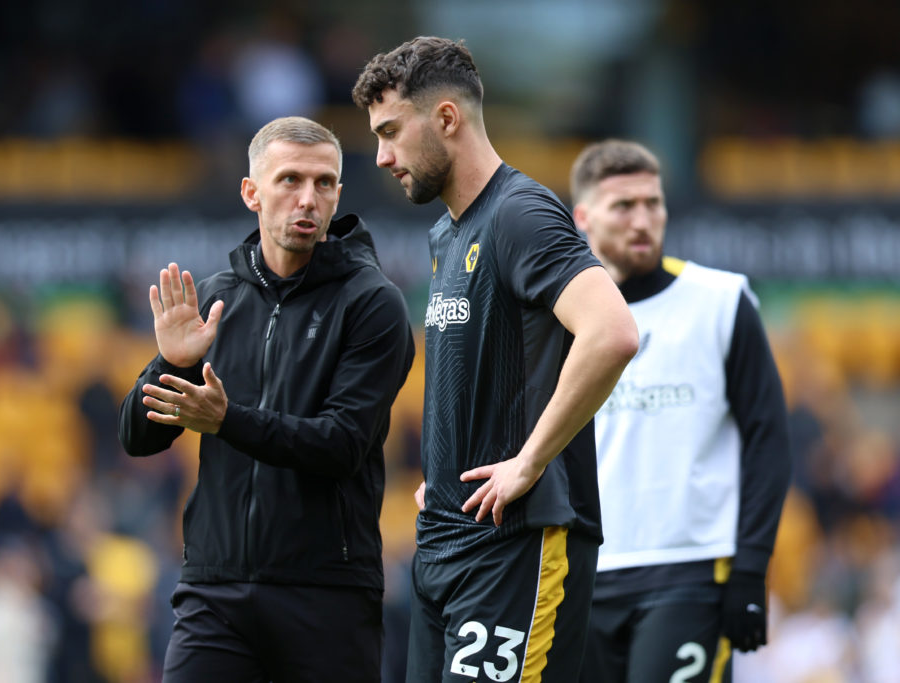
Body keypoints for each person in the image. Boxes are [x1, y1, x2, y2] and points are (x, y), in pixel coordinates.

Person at [352, 37, 640, 682]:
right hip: (446, 540)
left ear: (447, 118)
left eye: (392, 132)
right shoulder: (446, 233)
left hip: (516, 543)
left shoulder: (521, 214)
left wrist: (528, 462)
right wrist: (446, 475)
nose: (382, 156)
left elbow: (612, 331)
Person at [118, 116, 415, 683]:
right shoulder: (215, 298)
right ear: (252, 192)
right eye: (290, 181)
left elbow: (342, 445)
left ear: (338, 195)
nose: (308, 198)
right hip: (214, 591)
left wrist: (228, 420)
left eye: (324, 183)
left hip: (325, 595)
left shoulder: (373, 303)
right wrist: (171, 362)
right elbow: (138, 438)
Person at [569, 139, 792, 682]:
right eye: (624, 206)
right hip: (580, 575)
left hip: (691, 573)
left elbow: (768, 441)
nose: (643, 219)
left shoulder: (722, 301)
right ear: (583, 217)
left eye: (654, 203)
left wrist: (750, 570)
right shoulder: (556, 318)